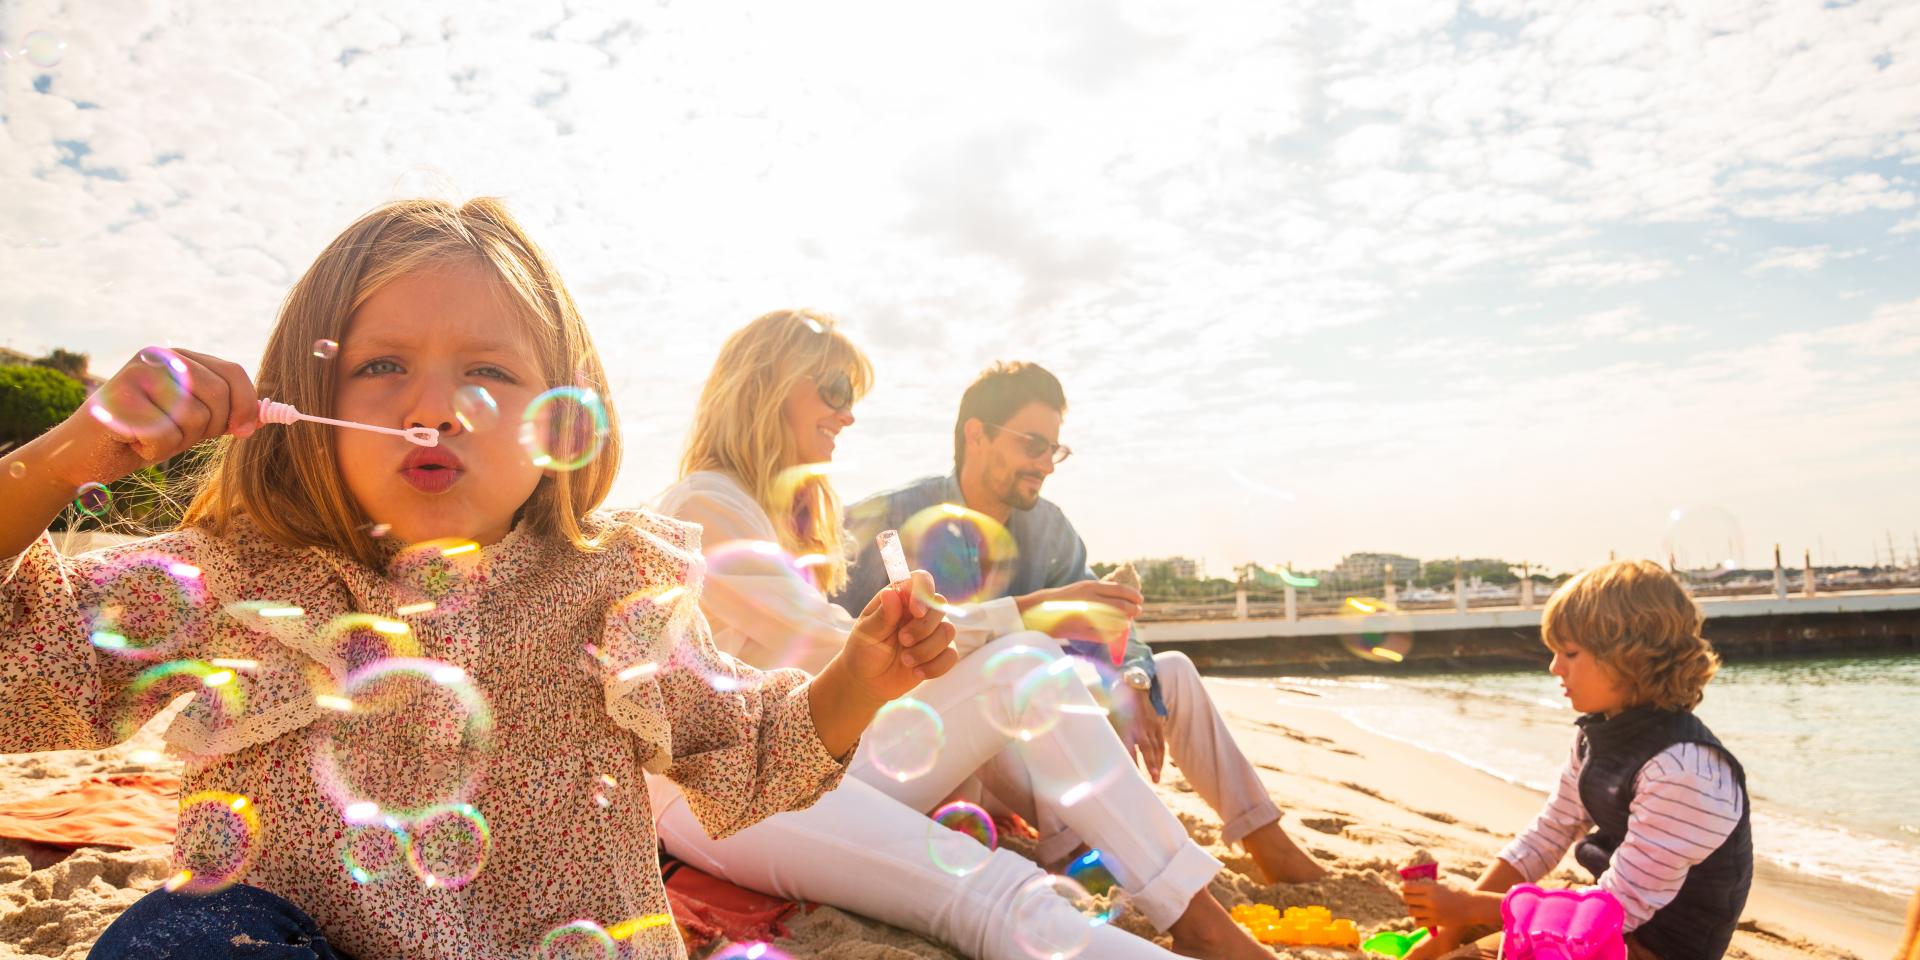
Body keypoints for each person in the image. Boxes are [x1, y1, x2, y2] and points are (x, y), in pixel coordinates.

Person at [0, 199, 958, 960]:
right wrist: (69, 454)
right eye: (380, 364)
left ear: (564, 418)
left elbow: (751, 752)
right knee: (174, 940)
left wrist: (860, 679)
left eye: (488, 374)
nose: (434, 408)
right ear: (302, 402)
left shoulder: (613, 584)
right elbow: (19, 658)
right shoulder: (242, 580)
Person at [651, 310, 1278, 960]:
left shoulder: (776, 513)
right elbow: (832, 645)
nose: (848, 415)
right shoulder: (705, 508)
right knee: (997, 890)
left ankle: (1192, 912)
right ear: (765, 385)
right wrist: (1031, 607)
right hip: (722, 790)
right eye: (834, 391)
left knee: (1025, 665)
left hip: (809, 756)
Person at [837, 360, 1328, 885]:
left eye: (1054, 450)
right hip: (932, 749)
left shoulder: (1047, 527)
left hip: (1030, 747)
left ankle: (1264, 838)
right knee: (1011, 667)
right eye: (1033, 444)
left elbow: (1105, 621)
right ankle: (1080, 855)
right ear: (975, 435)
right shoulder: (885, 521)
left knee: (1173, 671)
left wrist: (1135, 676)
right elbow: (836, 648)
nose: (1046, 464)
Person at [1398, 560, 1752, 960]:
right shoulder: (1596, 735)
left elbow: (1613, 910)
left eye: (1570, 652)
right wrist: (1455, 927)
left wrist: (1469, 907)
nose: (1554, 667)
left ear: (1629, 658)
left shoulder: (1684, 770)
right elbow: (1549, 833)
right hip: (1603, 935)